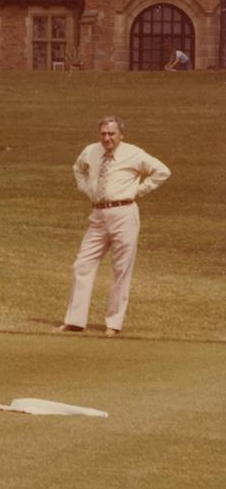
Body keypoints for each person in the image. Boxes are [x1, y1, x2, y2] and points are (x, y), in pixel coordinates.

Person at [57, 116, 170, 337]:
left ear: (121, 135)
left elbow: (162, 171)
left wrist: (138, 191)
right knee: (82, 264)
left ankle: (113, 324)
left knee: (121, 268)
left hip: (124, 212)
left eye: (111, 134)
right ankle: (75, 321)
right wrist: (87, 189)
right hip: (98, 214)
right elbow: (78, 169)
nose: (107, 138)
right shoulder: (91, 150)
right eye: (103, 134)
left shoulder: (134, 153)